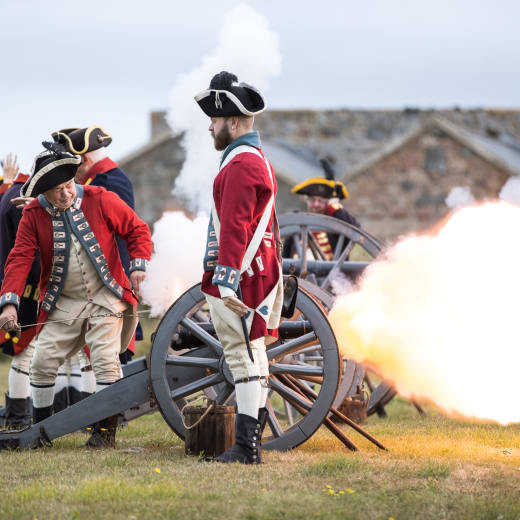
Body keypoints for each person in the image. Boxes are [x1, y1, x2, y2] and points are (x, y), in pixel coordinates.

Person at [0, 143, 152, 448]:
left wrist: (137, 265)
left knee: (105, 361)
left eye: (69, 185)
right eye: (58, 190)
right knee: (42, 362)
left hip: (106, 295)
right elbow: (19, 258)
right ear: (43, 191)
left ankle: (105, 434)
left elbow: (137, 229)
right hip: (62, 302)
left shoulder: (100, 198)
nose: (67, 194)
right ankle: (41, 433)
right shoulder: (33, 213)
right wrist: (9, 303)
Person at [195, 71, 283, 464]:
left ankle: (247, 447)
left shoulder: (241, 164)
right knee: (254, 357)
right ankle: (250, 444)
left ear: (232, 121)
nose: (211, 126)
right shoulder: (251, 159)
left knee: (243, 357)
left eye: (214, 119)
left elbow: (235, 226)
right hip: (255, 271)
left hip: (242, 276)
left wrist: (226, 281)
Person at [51, 126, 142, 362]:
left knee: (110, 360)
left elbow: (124, 232)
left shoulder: (110, 181)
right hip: (91, 285)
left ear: (82, 159)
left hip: (110, 283)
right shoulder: (97, 180)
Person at [0, 155, 36, 428]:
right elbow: (26, 254)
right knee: (26, 353)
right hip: (25, 290)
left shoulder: (10, 193)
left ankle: (19, 416)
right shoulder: (21, 202)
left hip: (16, 288)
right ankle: (19, 417)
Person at [289, 158, 360, 260]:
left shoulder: (337, 223)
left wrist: (333, 206)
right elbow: (285, 257)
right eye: (312, 200)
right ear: (307, 201)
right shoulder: (297, 223)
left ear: (328, 202)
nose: (316, 204)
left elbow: (355, 229)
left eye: (321, 201)